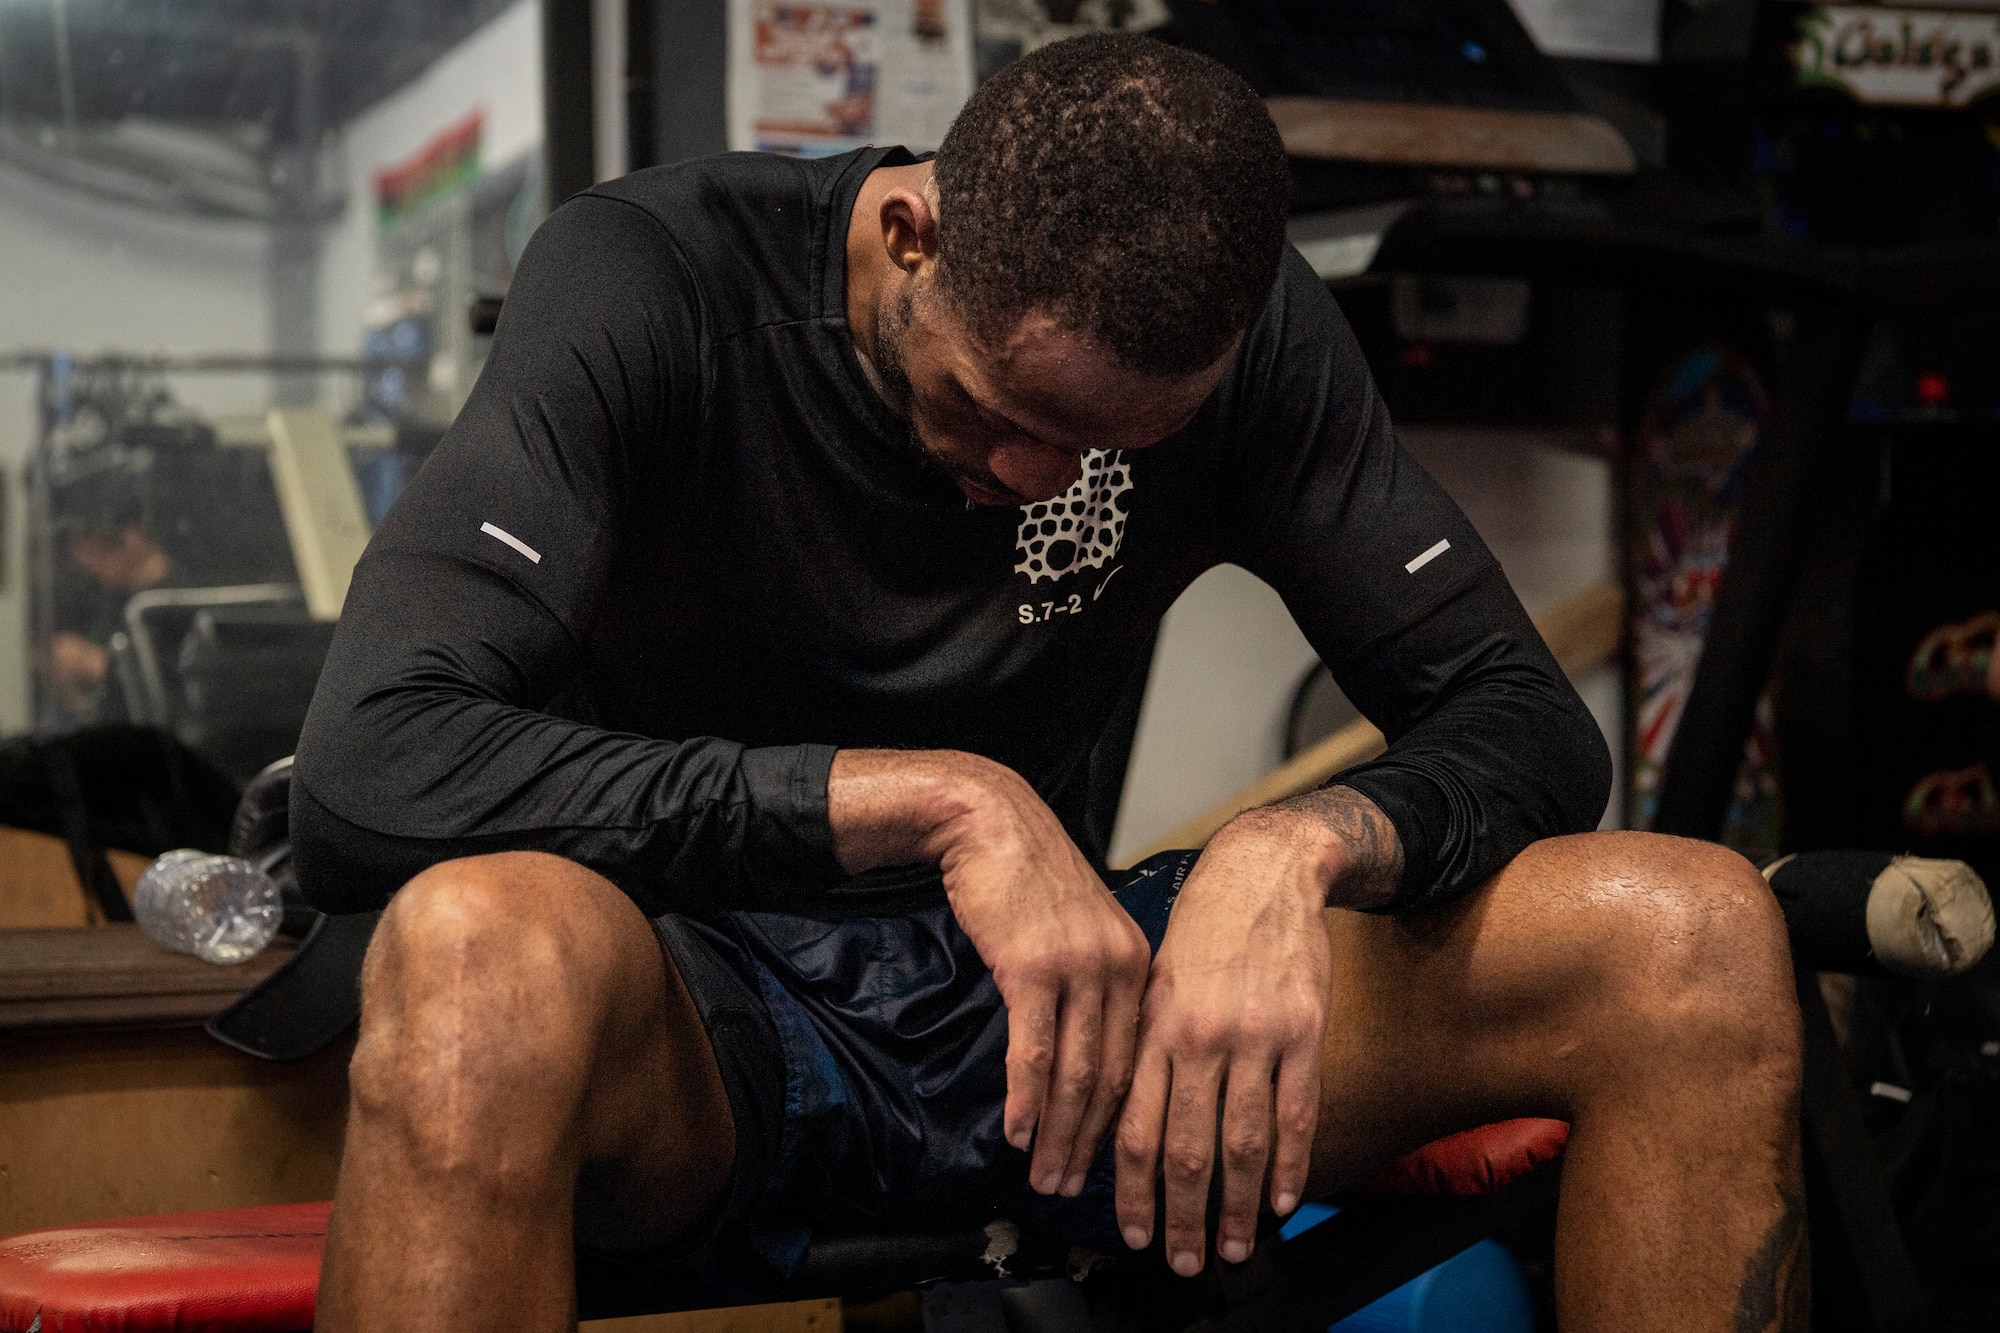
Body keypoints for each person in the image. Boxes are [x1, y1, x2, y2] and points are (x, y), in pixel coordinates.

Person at [294, 35, 1807, 1333]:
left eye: (1104, 450)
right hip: (706, 1009)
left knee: (1690, 933)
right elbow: (373, 764)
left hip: (1074, 1015)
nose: (1037, 480)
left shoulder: (1253, 340)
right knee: (473, 952)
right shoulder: (655, 278)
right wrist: (935, 801)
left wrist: (1296, 850)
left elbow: (1526, 720)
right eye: (997, 412)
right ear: (911, 233)